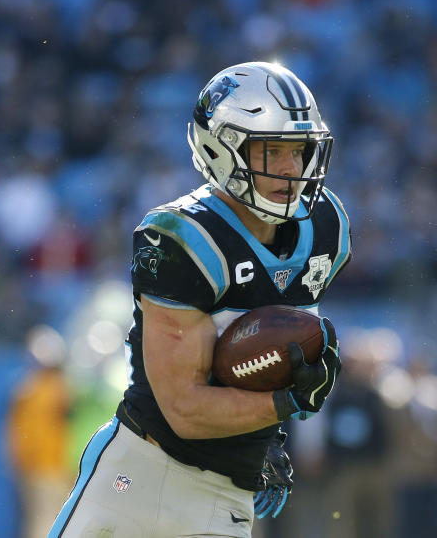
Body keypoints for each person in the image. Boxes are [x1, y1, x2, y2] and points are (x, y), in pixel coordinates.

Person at [47, 61, 351, 538]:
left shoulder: (327, 228)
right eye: (272, 151)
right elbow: (184, 409)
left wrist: (264, 435)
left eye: (298, 150)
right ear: (220, 148)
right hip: (141, 476)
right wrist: (283, 404)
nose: (292, 168)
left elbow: (266, 349)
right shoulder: (180, 237)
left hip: (224, 496)